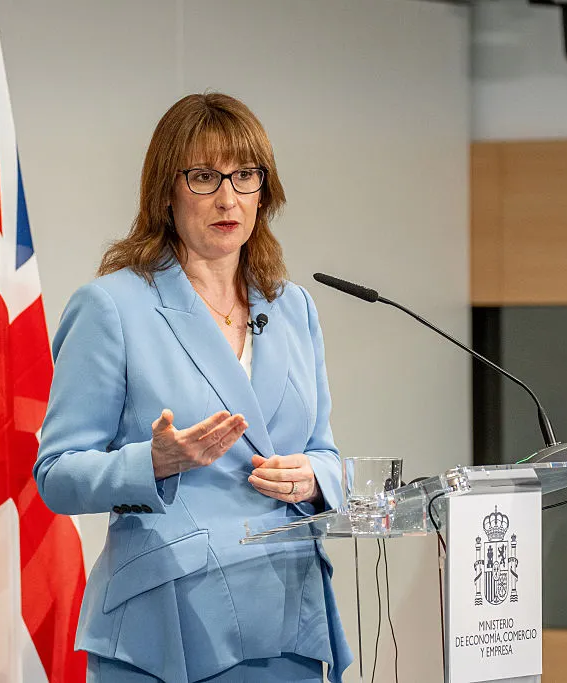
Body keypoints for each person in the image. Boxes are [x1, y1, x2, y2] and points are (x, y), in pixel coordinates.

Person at [34, 93, 352, 683]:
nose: (228, 198)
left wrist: (317, 477)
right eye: (204, 177)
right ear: (166, 192)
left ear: (265, 190)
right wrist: (150, 462)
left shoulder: (292, 309)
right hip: (170, 623)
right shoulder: (113, 307)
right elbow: (55, 474)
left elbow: (326, 452)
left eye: (244, 176)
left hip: (288, 615)